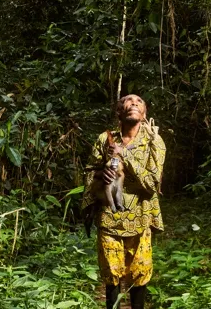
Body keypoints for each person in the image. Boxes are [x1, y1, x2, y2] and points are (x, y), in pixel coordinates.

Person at [81, 94, 166, 309]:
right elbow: (89, 172)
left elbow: (152, 183)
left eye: (139, 102)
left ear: (144, 114)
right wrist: (101, 176)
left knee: (140, 273)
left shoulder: (154, 142)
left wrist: (124, 155)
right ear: (119, 111)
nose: (134, 104)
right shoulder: (104, 139)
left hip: (141, 217)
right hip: (109, 219)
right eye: (128, 101)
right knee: (111, 275)